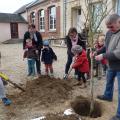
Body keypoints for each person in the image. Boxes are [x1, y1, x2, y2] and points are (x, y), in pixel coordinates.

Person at [95, 14, 120, 120]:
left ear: (118, 22)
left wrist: (103, 56)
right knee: (109, 81)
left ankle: (119, 115)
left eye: (111, 26)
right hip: (111, 64)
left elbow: (119, 53)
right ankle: (108, 96)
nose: (109, 29)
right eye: (108, 27)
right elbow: (106, 46)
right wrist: (97, 51)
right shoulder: (109, 32)